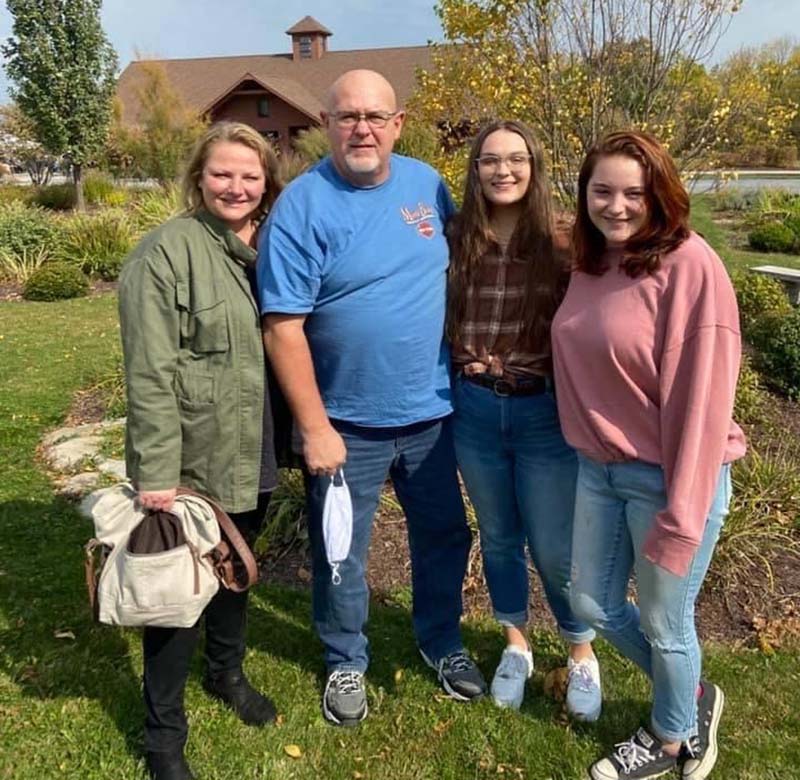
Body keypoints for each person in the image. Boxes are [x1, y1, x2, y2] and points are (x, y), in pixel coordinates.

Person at [258, 69, 486, 727]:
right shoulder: (302, 206)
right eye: (348, 115)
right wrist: (314, 424)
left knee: (444, 534)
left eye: (375, 116)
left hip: (432, 415)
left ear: (398, 123)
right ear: (325, 124)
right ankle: (345, 661)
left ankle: (441, 642)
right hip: (345, 425)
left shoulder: (426, 186)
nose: (362, 127)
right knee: (340, 553)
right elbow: (283, 326)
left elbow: (468, 261)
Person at [551, 130, 746, 780]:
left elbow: (703, 403)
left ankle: (668, 740)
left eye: (634, 192)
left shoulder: (690, 265)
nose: (617, 205)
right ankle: (690, 695)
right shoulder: (591, 260)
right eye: (601, 190)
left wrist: (684, 513)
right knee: (591, 604)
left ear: (659, 193)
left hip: (670, 477)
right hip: (598, 472)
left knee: (666, 623)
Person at [118, 121, 283, 780]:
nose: (236, 187)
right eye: (223, 173)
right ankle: (163, 736)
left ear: (267, 182)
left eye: (250, 175)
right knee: (175, 597)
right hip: (196, 456)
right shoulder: (164, 253)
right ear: (198, 177)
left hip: (260, 443)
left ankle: (226, 675)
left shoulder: (274, 247)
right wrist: (157, 471)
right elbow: (150, 373)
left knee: (234, 569)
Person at [446, 120, 601, 716]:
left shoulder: (564, 242)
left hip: (542, 411)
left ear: (533, 167)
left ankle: (581, 652)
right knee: (501, 537)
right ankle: (516, 643)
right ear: (475, 169)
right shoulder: (456, 236)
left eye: (515, 159)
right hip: (475, 410)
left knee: (555, 547)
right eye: (489, 160)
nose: (502, 171)